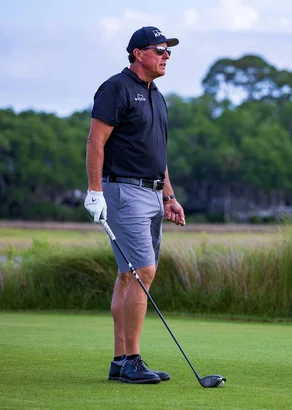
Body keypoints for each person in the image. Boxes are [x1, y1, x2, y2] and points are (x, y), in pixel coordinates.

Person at [84, 26, 186, 384]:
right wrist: (94, 191)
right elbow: (96, 142)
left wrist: (169, 196)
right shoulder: (116, 88)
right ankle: (132, 360)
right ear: (138, 53)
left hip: (152, 193)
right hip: (123, 192)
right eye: (160, 50)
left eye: (168, 51)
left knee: (129, 274)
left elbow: (157, 152)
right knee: (144, 272)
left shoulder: (157, 95)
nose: (166, 57)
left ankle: (119, 362)